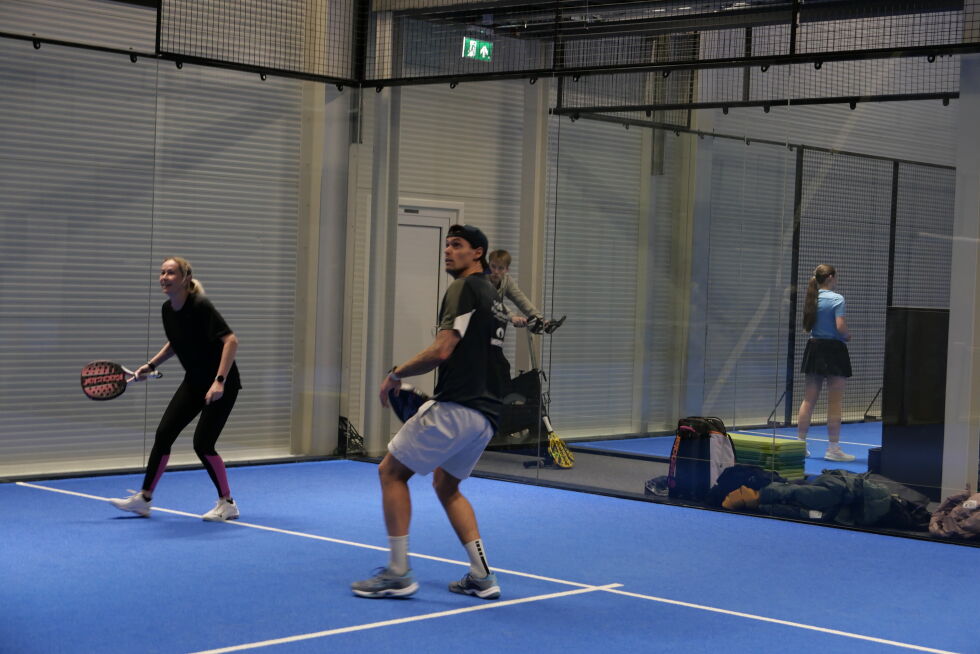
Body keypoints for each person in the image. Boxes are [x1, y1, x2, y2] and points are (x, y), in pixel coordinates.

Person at [351, 224, 506, 600]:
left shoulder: (463, 288)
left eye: (457, 246)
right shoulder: (492, 295)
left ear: (478, 253)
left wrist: (395, 374)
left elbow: (442, 349)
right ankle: (482, 575)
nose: (448, 251)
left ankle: (398, 572)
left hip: (457, 406)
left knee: (390, 472)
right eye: (447, 245)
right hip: (486, 416)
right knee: (446, 484)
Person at [109, 257, 243, 521]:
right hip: (194, 382)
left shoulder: (200, 306)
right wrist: (150, 364)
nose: (164, 277)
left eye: (170, 273)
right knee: (164, 433)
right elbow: (175, 343)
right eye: (162, 272)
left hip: (221, 384)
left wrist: (219, 381)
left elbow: (231, 341)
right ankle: (144, 500)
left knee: (203, 444)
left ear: (184, 278)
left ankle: (227, 503)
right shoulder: (167, 310)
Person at [796, 264, 856, 462]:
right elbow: (840, 326)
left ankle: (799, 445)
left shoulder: (812, 297)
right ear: (830, 277)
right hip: (834, 350)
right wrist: (847, 335)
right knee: (835, 402)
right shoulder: (837, 299)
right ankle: (833, 449)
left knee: (808, 399)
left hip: (814, 348)